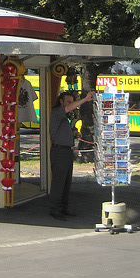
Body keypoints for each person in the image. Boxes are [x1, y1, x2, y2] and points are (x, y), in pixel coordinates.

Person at [48, 89, 94, 220]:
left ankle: (63, 207)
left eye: (71, 102)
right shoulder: (57, 112)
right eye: (68, 101)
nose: (70, 104)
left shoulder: (65, 118)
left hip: (67, 151)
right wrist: (84, 100)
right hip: (59, 151)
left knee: (66, 181)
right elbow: (68, 108)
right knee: (59, 181)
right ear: (61, 101)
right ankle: (55, 209)